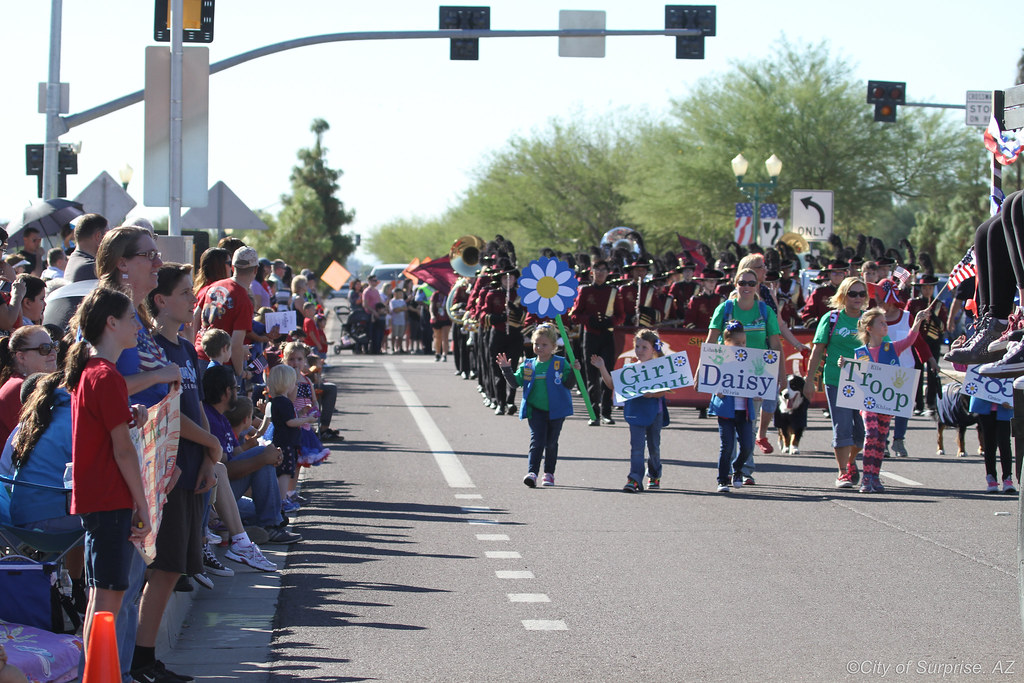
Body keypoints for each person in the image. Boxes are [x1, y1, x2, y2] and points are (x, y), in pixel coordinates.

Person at [64, 287, 151, 663]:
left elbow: (106, 430)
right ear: (111, 323)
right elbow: (122, 450)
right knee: (107, 602)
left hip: (99, 498)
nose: (138, 325)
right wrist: (144, 506)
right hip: (110, 497)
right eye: (132, 317)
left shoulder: (93, 372)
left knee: (101, 599)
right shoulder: (105, 375)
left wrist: (131, 414)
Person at [203, 366, 302, 545]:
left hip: (228, 495)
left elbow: (238, 455)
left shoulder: (219, 417)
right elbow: (225, 471)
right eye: (236, 389)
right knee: (261, 457)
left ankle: (258, 525)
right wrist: (263, 459)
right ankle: (268, 526)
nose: (238, 392)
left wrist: (271, 455)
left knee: (262, 456)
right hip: (214, 500)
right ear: (227, 392)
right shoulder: (209, 419)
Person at [704, 267, 782, 484]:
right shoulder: (725, 309)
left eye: (751, 283)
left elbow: (775, 345)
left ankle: (744, 470)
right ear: (735, 284)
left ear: (757, 286)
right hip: (727, 374)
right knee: (729, 429)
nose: (746, 287)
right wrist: (702, 371)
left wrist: (779, 375)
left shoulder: (765, 311)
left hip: (755, 375)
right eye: (742, 282)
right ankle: (727, 472)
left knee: (749, 425)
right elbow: (711, 342)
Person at [845, 307, 928, 493]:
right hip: (868, 403)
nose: (885, 325)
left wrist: (917, 322)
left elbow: (909, 340)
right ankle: (866, 477)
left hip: (887, 402)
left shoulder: (891, 348)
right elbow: (856, 377)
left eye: (885, 322)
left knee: (881, 439)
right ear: (870, 328)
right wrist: (845, 366)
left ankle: (875, 475)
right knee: (872, 434)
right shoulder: (860, 352)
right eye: (881, 323)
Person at [803, 277, 869, 488]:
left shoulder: (869, 320)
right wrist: (809, 380)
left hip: (864, 383)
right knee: (842, 428)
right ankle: (843, 472)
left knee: (862, 431)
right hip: (836, 380)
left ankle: (851, 462)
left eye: (861, 294)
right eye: (853, 293)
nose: (858, 298)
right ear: (843, 295)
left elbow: (882, 349)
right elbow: (817, 351)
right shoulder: (831, 319)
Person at [495, 324, 579, 488]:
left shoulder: (561, 363)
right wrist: (506, 369)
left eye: (544, 344)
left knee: (551, 443)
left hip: (556, 411)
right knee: (537, 441)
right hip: (536, 410)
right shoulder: (528, 365)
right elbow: (515, 384)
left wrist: (575, 372)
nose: (539, 347)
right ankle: (532, 472)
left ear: (554, 346)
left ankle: (549, 473)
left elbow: (568, 385)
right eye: (536, 344)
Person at [590, 328, 671, 493]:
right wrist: (602, 368)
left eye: (644, 347)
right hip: (635, 411)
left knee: (654, 447)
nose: (640, 351)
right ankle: (634, 479)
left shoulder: (658, 367)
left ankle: (654, 474)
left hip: (655, 411)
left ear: (653, 349)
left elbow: (664, 391)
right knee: (637, 447)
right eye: (637, 347)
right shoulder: (630, 369)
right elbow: (613, 385)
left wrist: (651, 394)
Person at [569, 259, 624, 426]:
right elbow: (574, 315)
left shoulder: (613, 291)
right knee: (592, 375)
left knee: (607, 373)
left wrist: (611, 321)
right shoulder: (585, 291)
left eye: (603, 270)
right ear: (591, 272)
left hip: (607, 336)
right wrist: (589, 320)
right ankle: (593, 413)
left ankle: (606, 412)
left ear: (608, 273)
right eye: (597, 269)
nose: (600, 272)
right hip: (590, 336)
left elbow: (621, 315)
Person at [193, 247, 259, 381]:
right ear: (255, 270)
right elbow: (235, 344)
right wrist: (240, 373)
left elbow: (195, 318)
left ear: (233, 267)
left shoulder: (214, 286)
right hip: (222, 365)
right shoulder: (243, 300)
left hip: (199, 356)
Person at [706, 321, 755, 493]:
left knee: (748, 446)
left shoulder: (751, 361)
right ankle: (722, 479)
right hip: (726, 411)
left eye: (744, 343)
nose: (742, 346)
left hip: (745, 412)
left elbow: (758, 382)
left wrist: (759, 391)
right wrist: (716, 390)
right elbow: (710, 380)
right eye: (737, 343)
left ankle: (737, 468)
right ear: (726, 344)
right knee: (727, 445)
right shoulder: (720, 361)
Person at [266, 363, 317, 508]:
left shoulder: (280, 401)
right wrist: (307, 419)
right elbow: (290, 422)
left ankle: (282, 499)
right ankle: (282, 501)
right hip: (285, 443)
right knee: (285, 472)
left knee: (285, 471)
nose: (295, 386)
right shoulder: (284, 402)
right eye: (293, 383)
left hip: (285, 442)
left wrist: (302, 415)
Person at [0, 325, 59, 447]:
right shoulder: (18, 388)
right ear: (21, 357)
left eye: (54, 346)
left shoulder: (23, 383)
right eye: (45, 348)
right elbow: (37, 442)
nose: (53, 352)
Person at [281, 341, 330, 475]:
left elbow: (314, 401)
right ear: (284, 360)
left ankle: (292, 491)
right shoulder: (286, 379)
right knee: (289, 460)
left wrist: (313, 412)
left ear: (304, 361)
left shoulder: (307, 381)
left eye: (299, 359)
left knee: (299, 462)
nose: (295, 363)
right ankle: (285, 491)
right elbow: (286, 401)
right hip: (290, 424)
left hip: (304, 425)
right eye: (291, 359)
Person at [429, 286, 451, 362]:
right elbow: (431, 306)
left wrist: (447, 307)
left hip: (446, 318)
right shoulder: (435, 294)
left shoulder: (448, 294)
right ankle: (437, 353)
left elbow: (452, 305)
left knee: (445, 337)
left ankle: (444, 354)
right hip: (437, 318)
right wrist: (432, 315)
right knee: (437, 336)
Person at [389, 288, 407, 354]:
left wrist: (400, 309)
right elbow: (395, 310)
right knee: (394, 335)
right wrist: (401, 308)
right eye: (399, 293)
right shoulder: (392, 301)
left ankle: (400, 348)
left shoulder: (402, 301)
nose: (401, 295)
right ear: (395, 294)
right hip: (395, 321)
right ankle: (393, 348)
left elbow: (405, 308)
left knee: (401, 336)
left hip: (402, 321)